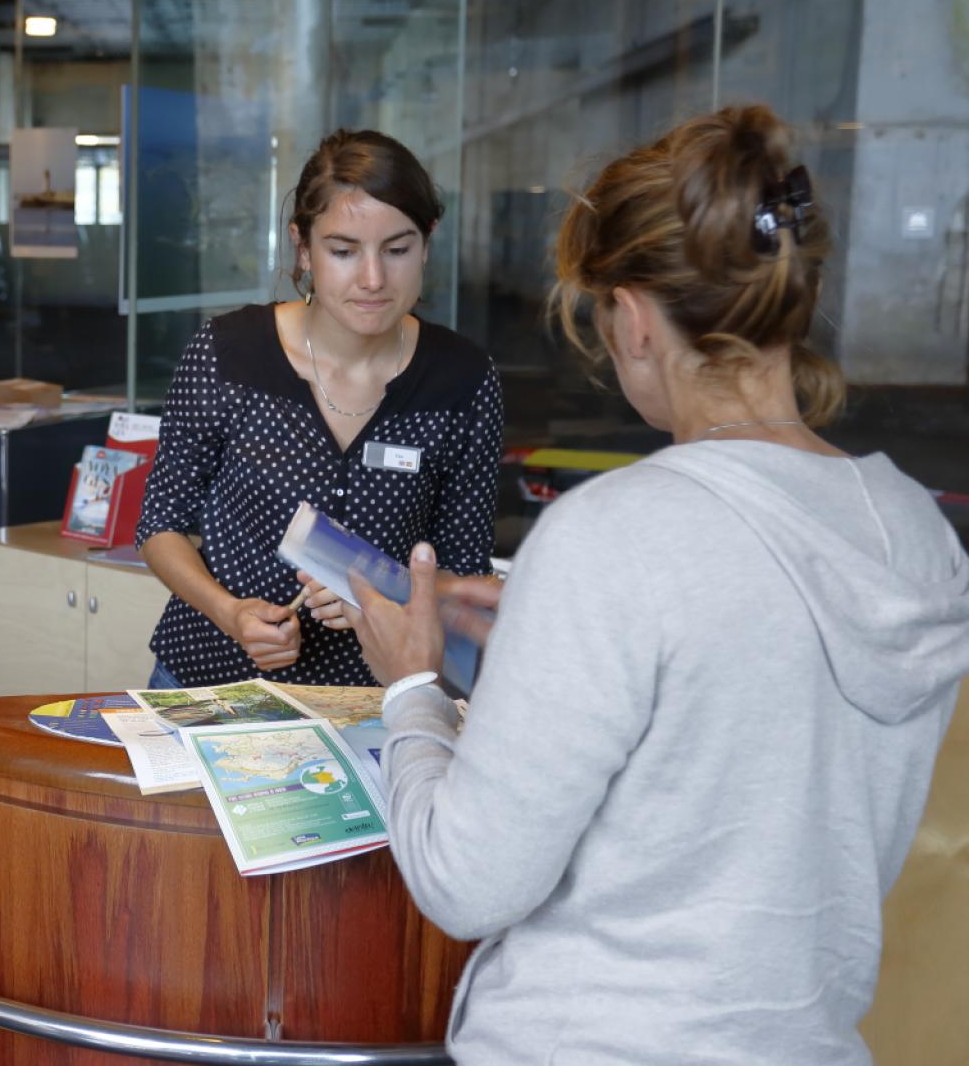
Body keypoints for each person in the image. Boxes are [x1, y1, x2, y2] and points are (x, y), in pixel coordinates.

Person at [342, 105, 969, 1064]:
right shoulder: (918, 535)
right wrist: (560, 639)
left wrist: (413, 689)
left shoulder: (615, 537)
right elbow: (749, 722)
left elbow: (466, 884)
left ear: (633, 319)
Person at [136, 129, 502, 689]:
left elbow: (462, 570)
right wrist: (229, 612)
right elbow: (161, 523)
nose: (373, 278)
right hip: (210, 679)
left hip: (372, 700)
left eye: (397, 249)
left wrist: (385, 593)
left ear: (427, 242)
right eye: (344, 250)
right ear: (303, 248)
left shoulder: (464, 379)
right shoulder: (227, 354)